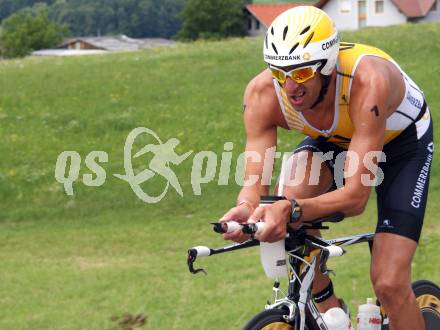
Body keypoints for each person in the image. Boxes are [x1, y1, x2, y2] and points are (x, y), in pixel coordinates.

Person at [220, 6, 433, 330]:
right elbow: (255, 183)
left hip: (402, 142)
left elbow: (354, 198)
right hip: (338, 138)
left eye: (302, 74)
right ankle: (331, 310)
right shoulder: (263, 94)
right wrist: (245, 209)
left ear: (328, 65)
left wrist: (290, 210)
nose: (290, 88)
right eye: (280, 73)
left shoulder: (367, 81)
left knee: (389, 283)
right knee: (289, 192)